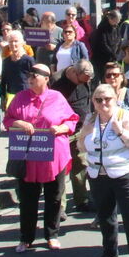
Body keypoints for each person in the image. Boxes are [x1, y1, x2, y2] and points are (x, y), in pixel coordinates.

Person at [4, 64, 78, 252]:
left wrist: (60, 128)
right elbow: (7, 119)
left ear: (46, 78)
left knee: (54, 196)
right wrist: (19, 123)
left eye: (34, 76)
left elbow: (72, 120)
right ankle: (26, 237)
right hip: (28, 155)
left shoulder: (57, 97)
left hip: (53, 155)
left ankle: (52, 235)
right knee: (28, 198)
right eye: (28, 75)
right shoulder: (20, 97)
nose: (30, 79)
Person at [81, 83, 129, 257]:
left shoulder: (124, 116)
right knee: (105, 216)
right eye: (98, 100)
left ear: (115, 100)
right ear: (93, 102)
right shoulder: (90, 119)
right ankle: (109, 253)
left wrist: (120, 132)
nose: (103, 103)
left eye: (107, 99)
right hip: (98, 176)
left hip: (124, 175)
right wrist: (84, 134)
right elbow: (81, 147)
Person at [51, 60, 95, 213]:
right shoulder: (56, 81)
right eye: (82, 80)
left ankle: (82, 200)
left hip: (80, 130)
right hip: (62, 132)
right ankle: (59, 207)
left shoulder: (85, 79)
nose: (84, 83)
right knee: (61, 170)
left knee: (80, 166)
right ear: (74, 73)